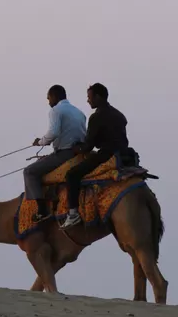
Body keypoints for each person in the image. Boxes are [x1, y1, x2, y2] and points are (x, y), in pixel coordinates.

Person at [60, 83, 129, 228]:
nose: (88, 100)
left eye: (89, 97)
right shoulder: (119, 114)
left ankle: (73, 214)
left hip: (107, 154)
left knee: (72, 175)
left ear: (98, 97)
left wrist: (76, 148)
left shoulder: (96, 117)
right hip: (125, 154)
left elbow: (88, 146)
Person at [24, 85, 87, 221]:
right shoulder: (80, 112)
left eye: (49, 98)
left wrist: (40, 142)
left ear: (54, 96)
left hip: (64, 153)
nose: (48, 102)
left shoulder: (55, 111)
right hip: (79, 152)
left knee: (29, 172)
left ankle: (42, 211)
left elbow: (53, 133)